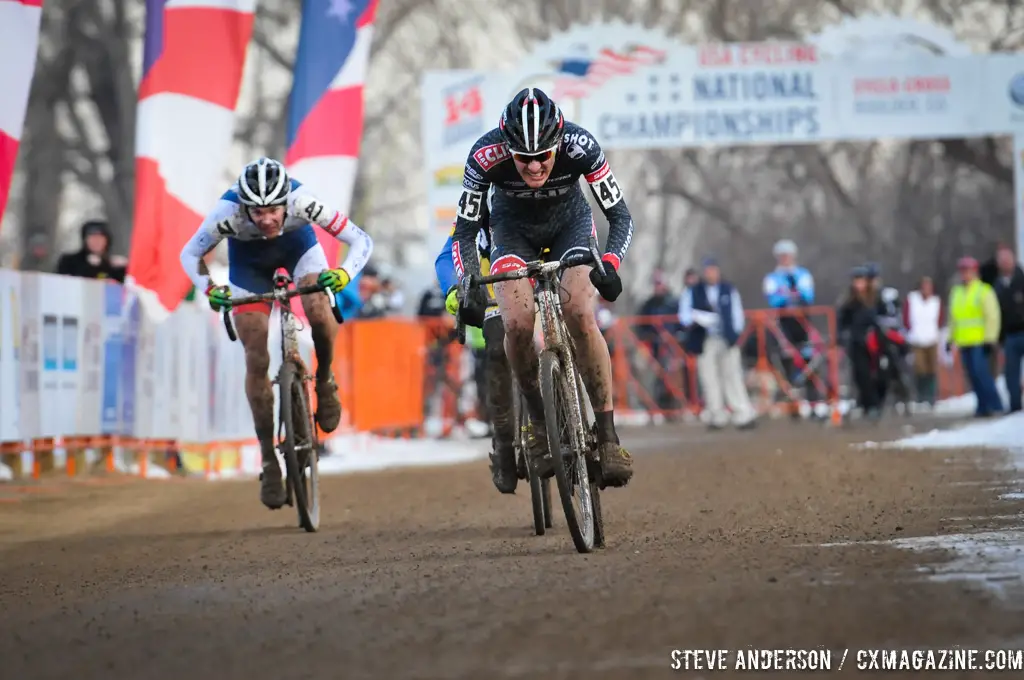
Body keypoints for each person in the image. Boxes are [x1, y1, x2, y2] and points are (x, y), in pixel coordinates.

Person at [450, 87, 635, 488]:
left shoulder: (581, 145)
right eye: (524, 159)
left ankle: (607, 436)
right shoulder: (485, 155)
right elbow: (464, 231)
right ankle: (537, 421)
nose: (534, 167)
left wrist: (610, 264)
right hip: (511, 231)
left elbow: (620, 217)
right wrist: (467, 282)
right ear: (508, 148)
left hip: (570, 227)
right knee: (516, 324)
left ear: (558, 142)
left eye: (543, 157)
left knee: (581, 314)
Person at [179, 157, 373, 508]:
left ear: (286, 202)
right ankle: (269, 459)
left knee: (318, 308)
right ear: (245, 208)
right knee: (255, 351)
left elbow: (360, 240)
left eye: (273, 210)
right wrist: (209, 287)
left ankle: (326, 381)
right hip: (247, 263)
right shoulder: (227, 213)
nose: (266, 219)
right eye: (257, 212)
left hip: (298, 248)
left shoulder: (304, 202)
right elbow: (190, 253)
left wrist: (344, 274)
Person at [436, 208, 519, 493]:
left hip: (538, 288)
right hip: (495, 299)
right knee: (497, 353)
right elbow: (447, 255)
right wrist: (451, 290)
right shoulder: (478, 208)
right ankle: (505, 443)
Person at [679, 257, 756, 430]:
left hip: (726, 338)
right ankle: (716, 415)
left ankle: (742, 413)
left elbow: (737, 314)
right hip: (704, 339)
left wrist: (735, 334)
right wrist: (697, 319)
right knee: (708, 377)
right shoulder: (693, 291)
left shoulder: (728, 289)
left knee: (732, 375)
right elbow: (684, 315)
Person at [948, 256, 1002, 418]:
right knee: (972, 376)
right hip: (964, 341)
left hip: (980, 341)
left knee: (982, 374)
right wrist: (950, 339)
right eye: (963, 271)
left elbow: (992, 316)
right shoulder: (956, 292)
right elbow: (953, 318)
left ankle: (995, 405)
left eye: (968, 271)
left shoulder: (983, 290)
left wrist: (990, 339)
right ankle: (982, 406)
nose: (965, 275)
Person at [838, 266, 882, 418]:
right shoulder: (849, 302)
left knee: (877, 373)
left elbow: (881, 318)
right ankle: (867, 404)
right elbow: (842, 322)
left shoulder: (875, 299)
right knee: (861, 374)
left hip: (875, 342)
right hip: (857, 342)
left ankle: (875, 402)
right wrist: (842, 337)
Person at [990, 244, 1024, 412]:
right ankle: (1015, 406)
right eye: (1001, 260)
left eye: (1007, 259)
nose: (1005, 263)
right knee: (1011, 373)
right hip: (1009, 336)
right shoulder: (997, 285)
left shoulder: (1021, 278)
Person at [903, 276, 944, 407]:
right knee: (920, 367)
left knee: (932, 367)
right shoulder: (912, 300)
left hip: (932, 338)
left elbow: (940, 319)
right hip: (916, 339)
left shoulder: (936, 301)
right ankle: (921, 395)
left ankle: (931, 396)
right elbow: (905, 317)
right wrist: (909, 330)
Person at [56, 220, 127, 282]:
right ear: (85, 240)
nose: (96, 242)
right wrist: (89, 267)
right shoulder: (69, 261)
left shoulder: (114, 265)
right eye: (92, 238)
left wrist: (126, 267)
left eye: (100, 238)